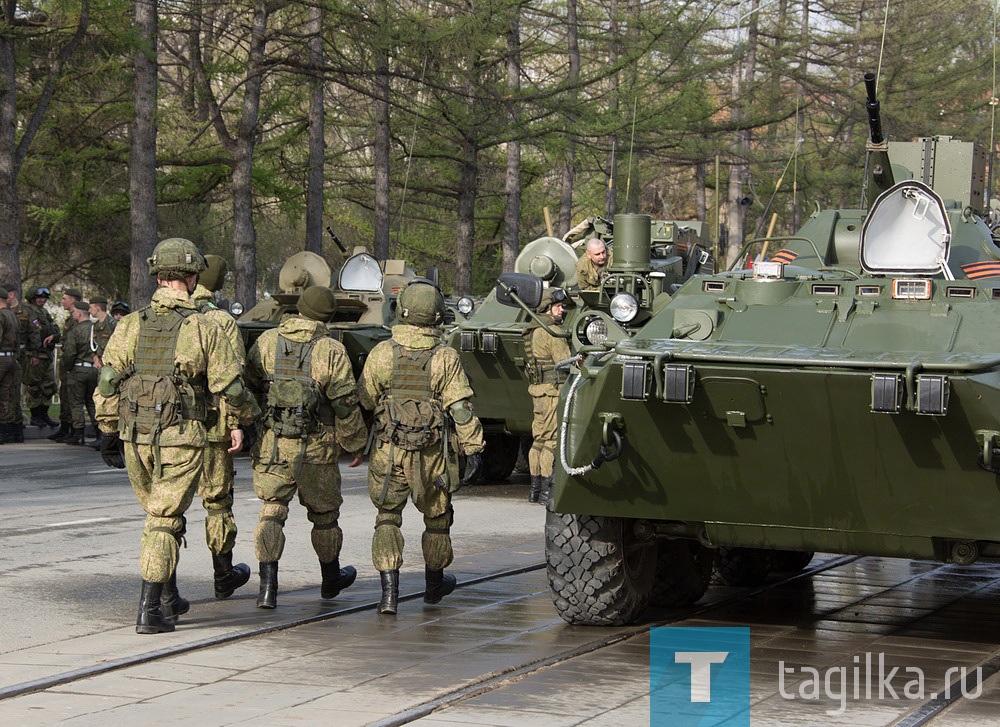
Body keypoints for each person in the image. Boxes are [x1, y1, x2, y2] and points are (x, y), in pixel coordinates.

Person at [94, 238, 259, 634]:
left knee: (156, 516)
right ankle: (150, 610)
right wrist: (247, 417)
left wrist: (107, 428)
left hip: (136, 436)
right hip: (181, 436)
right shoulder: (204, 326)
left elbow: (108, 380)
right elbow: (230, 387)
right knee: (164, 520)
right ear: (191, 276)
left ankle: (169, 598)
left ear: (158, 275)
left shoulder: (130, 323)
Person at [358, 279, 485, 615]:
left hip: (388, 450)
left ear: (403, 311)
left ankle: (389, 595)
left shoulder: (383, 352)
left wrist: (355, 442)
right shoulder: (445, 356)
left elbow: (364, 400)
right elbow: (460, 407)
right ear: (437, 316)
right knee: (437, 518)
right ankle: (433, 586)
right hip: (431, 455)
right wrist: (473, 447)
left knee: (387, 518)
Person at [245, 285, 367, 609]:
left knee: (271, 512)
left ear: (298, 308)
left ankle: (267, 588)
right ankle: (330, 580)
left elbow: (250, 385)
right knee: (325, 517)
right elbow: (345, 404)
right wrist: (356, 443)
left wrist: (247, 424)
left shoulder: (267, 342)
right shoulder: (331, 349)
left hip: (273, 445)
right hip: (318, 448)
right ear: (327, 317)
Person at [189, 254, 252, 594]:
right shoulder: (220, 321)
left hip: (169, 427)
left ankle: (164, 590)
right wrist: (236, 423)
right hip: (212, 426)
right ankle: (223, 574)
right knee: (217, 502)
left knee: (168, 508)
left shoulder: (162, 318)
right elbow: (231, 379)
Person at [523, 288, 572, 504]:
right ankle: (547, 491)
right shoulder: (552, 332)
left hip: (538, 392)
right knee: (552, 441)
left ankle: (535, 489)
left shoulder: (533, 330)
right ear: (547, 309)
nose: (562, 310)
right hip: (553, 392)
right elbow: (566, 362)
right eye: (558, 307)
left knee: (538, 441)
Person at [60, 300, 99, 446]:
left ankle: (78, 434)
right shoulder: (96, 328)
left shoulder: (75, 330)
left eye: (73, 312)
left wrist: (67, 368)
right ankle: (99, 432)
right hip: (94, 369)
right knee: (91, 402)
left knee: (76, 402)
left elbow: (69, 353)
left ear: (78, 313)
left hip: (79, 369)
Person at [7, 286, 41, 443]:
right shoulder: (5, 312)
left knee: (16, 389)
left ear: (11, 295)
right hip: (8, 355)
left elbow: (35, 332)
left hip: (22, 355)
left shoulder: (26, 311)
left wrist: (35, 353)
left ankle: (16, 426)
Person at [49, 288, 84, 442]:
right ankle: (65, 428)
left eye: (64, 298)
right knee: (65, 396)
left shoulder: (77, 319)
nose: (62, 301)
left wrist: (68, 365)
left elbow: (74, 342)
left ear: (73, 300)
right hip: (68, 362)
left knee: (71, 397)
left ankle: (72, 430)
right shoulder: (70, 319)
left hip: (73, 364)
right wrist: (56, 337)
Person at [24, 286, 59, 427]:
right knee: (34, 386)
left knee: (49, 386)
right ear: (32, 298)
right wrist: (34, 354)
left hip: (46, 355)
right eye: (39, 298)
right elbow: (33, 334)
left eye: (44, 298)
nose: (42, 300)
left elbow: (53, 328)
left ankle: (44, 414)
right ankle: (36, 416)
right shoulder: (28, 311)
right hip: (35, 355)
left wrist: (55, 335)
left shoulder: (44, 311)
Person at [0, 286, 20, 444]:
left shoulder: (1, 315)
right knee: (6, 396)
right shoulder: (12, 315)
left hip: (1, 358)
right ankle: (6, 431)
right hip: (11, 357)